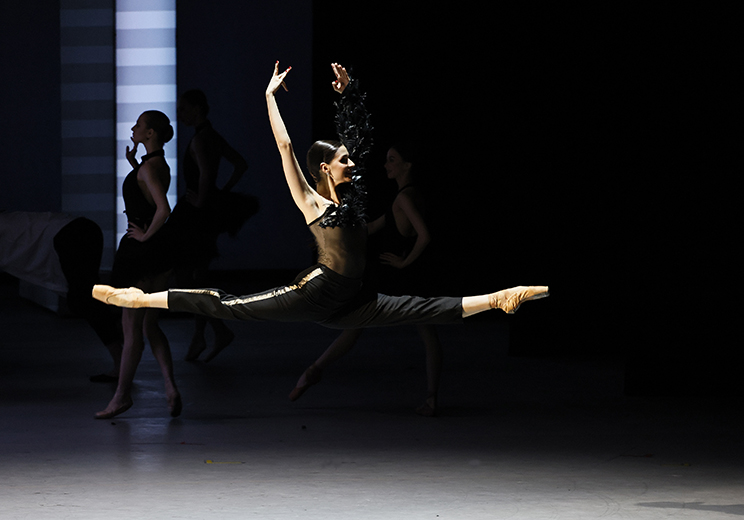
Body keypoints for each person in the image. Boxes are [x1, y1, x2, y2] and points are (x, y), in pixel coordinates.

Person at [92, 64, 549, 410]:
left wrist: (348, 94)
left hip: (353, 297)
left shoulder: (354, 200)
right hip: (317, 292)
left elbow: (361, 141)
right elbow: (286, 148)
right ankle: (138, 299)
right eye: (345, 161)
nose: (354, 164)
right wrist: (270, 98)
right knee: (228, 304)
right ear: (325, 170)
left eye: (351, 160)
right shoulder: (314, 202)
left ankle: (499, 299)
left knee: (424, 308)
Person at [289, 142, 446, 416]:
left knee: (359, 325)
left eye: (392, 160)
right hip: (409, 276)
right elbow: (369, 229)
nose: (387, 165)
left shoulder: (404, 198)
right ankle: (431, 398)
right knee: (424, 333)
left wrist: (403, 262)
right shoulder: (408, 195)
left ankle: (314, 370)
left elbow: (425, 235)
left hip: (402, 277)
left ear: (407, 166)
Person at [94, 110, 181, 420]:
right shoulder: (155, 165)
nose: (133, 128)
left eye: (139, 125)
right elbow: (149, 193)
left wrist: (143, 237)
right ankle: (170, 387)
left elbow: (163, 208)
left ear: (150, 134)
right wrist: (135, 166)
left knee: (131, 328)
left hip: (141, 256)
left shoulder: (149, 169)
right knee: (149, 326)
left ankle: (121, 397)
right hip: (158, 256)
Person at [171, 89, 255, 363]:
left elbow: (206, 173)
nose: (179, 114)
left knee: (191, 279)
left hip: (196, 215)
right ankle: (207, 334)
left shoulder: (199, 139)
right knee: (197, 278)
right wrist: (221, 193)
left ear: (196, 109)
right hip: (205, 213)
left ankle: (213, 333)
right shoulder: (212, 136)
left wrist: (202, 201)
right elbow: (240, 164)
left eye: (183, 109)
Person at [0, 211, 123, 380]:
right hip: (80, 229)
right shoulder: (10, 222)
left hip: (72, 233)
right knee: (84, 301)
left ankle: (121, 356)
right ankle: (121, 340)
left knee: (85, 301)